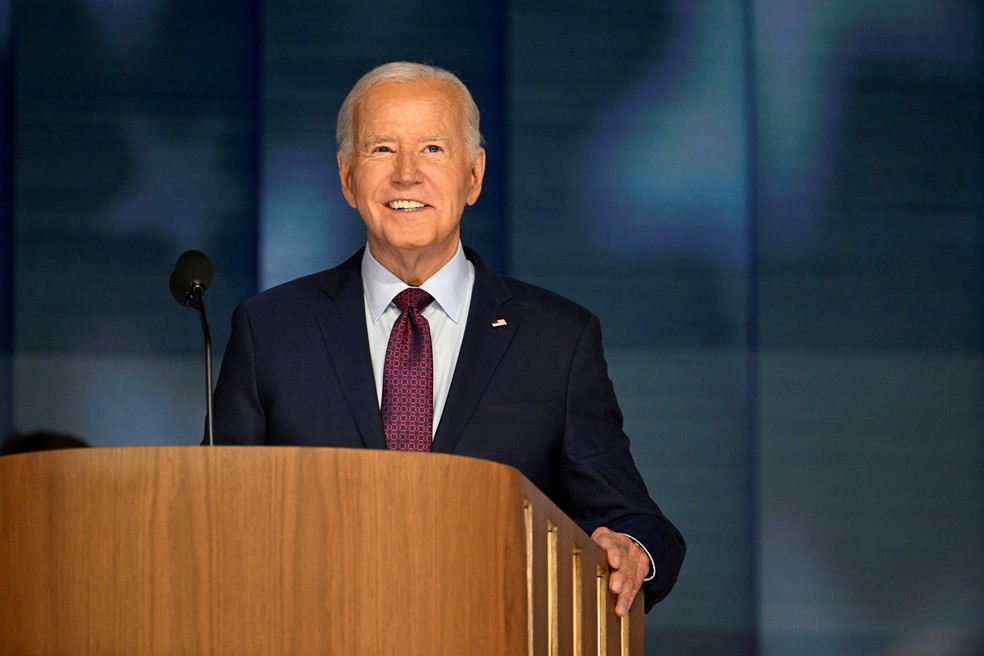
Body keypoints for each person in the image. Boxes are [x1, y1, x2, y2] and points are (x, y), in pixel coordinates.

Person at [210, 61, 685, 614]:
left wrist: (632, 551)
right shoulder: (271, 330)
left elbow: (637, 521)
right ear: (346, 178)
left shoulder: (557, 339)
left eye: (433, 149)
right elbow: (214, 515)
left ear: (475, 176)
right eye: (381, 149)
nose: (406, 175)